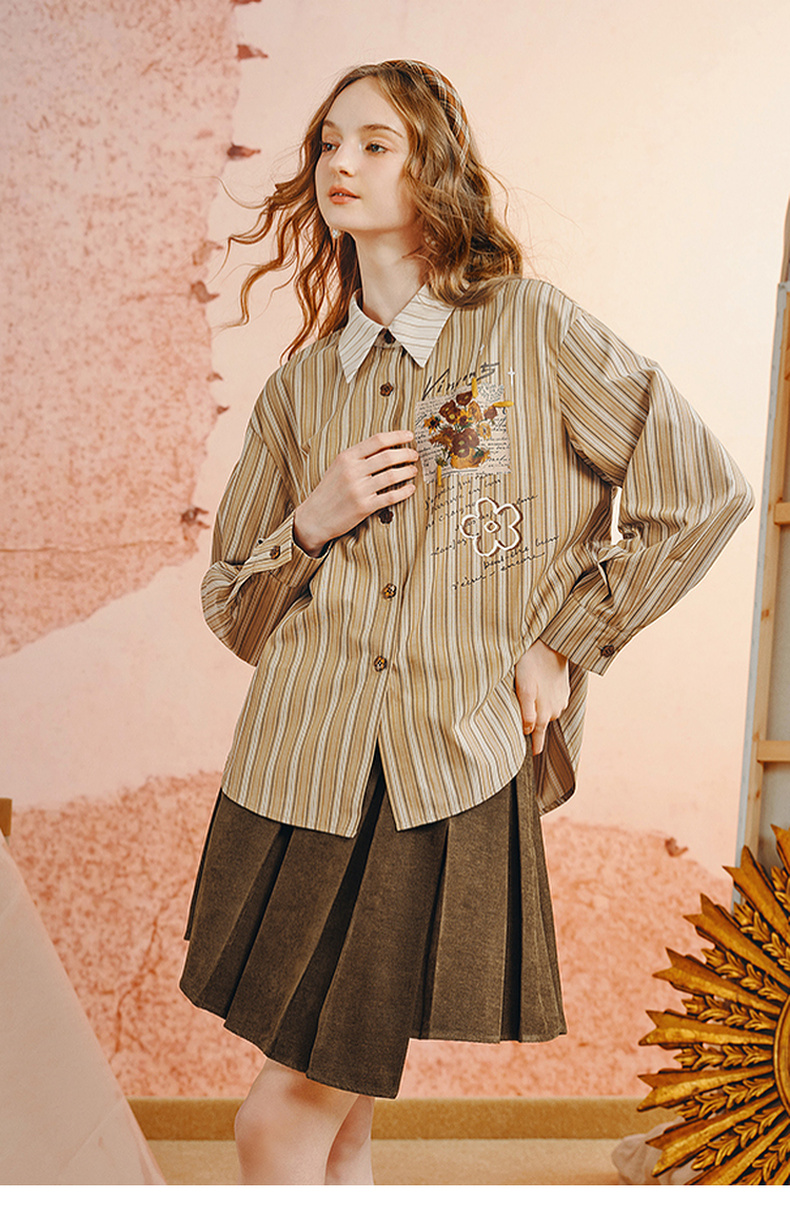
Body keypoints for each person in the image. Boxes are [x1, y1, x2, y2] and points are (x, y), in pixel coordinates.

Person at [179, 60, 753, 1185]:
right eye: (328, 142)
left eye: (375, 143)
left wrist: (563, 640)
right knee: (336, 1123)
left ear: (431, 166)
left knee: (276, 1121)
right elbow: (232, 608)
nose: (340, 164)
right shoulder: (300, 392)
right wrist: (312, 520)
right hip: (301, 769)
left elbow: (701, 490)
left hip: (443, 765)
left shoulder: (531, 328)